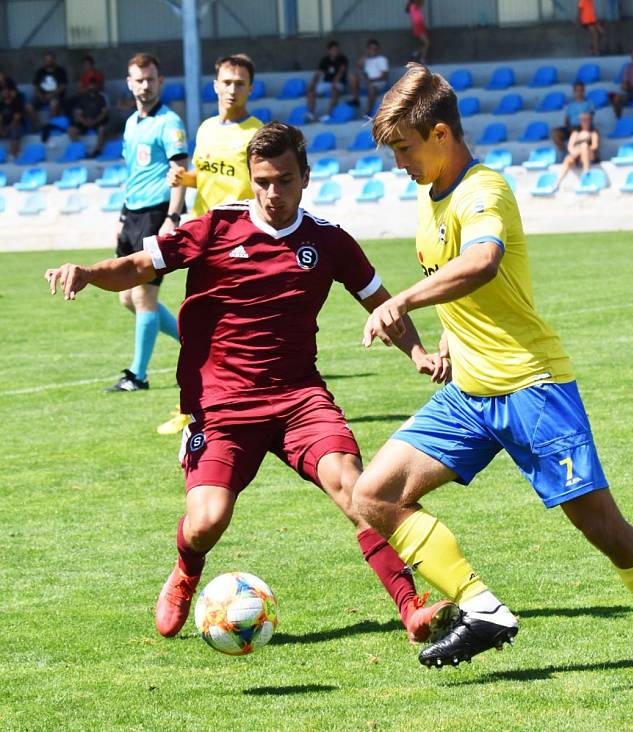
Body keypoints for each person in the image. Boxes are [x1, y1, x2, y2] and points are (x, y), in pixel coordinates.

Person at [45, 121, 458, 647]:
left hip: (299, 400)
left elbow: (381, 301)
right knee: (206, 521)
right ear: (250, 179)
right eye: (262, 180)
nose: (272, 193)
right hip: (223, 406)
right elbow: (136, 265)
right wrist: (88, 272)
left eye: (284, 180)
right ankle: (187, 569)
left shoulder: (328, 241)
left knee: (358, 492)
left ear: (305, 177)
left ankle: (412, 608)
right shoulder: (214, 227)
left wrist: (418, 352)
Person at [353, 64, 633, 675]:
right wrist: (444, 344)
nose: (398, 164)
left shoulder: (484, 190)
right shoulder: (427, 192)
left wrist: (402, 301)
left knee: (602, 527)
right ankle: (483, 610)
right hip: (468, 394)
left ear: (440, 135)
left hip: (532, 388)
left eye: (404, 150)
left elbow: (483, 262)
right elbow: (450, 276)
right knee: (373, 495)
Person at [158, 53, 263, 436]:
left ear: (251, 88)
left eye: (240, 83)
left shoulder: (257, 134)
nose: (232, 89)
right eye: (226, 82)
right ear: (215, 85)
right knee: (196, 325)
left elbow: (261, 187)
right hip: (203, 237)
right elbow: (204, 178)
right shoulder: (204, 129)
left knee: (237, 330)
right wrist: (183, 180)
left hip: (240, 241)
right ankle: (190, 409)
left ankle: (249, 403)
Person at [106, 52, 188, 393]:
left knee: (144, 299)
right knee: (128, 298)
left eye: (150, 79)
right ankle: (198, 341)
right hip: (133, 215)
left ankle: (137, 376)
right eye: (138, 79)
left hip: (157, 214)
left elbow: (180, 172)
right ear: (130, 83)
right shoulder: (131, 124)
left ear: (160, 82)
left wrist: (172, 217)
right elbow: (132, 173)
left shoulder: (170, 122)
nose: (144, 85)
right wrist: (122, 215)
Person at [305, 41, 348, 122]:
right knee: (311, 92)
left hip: (339, 83)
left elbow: (341, 71)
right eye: (333, 50)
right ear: (329, 51)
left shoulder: (342, 58)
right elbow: (318, 74)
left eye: (337, 50)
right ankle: (311, 114)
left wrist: (334, 82)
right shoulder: (325, 60)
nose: (336, 51)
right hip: (327, 83)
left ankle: (328, 114)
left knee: (334, 90)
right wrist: (312, 84)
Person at [555, 111, 599, 189]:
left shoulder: (593, 132)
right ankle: (558, 182)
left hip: (590, 154)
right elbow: (570, 146)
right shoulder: (575, 133)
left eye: (587, 120)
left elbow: (594, 146)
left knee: (584, 146)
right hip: (578, 155)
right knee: (568, 159)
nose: (585, 122)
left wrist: (582, 149)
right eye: (583, 120)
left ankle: (586, 173)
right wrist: (575, 151)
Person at [67, 78, 109, 157]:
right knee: (71, 130)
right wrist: (85, 122)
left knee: (102, 129)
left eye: (94, 87)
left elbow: (104, 113)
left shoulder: (101, 98)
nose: (92, 89)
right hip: (85, 122)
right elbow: (78, 114)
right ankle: (80, 150)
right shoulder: (83, 98)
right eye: (90, 87)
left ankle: (97, 151)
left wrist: (94, 121)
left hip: (97, 122)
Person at [348, 39, 390, 118]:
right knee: (352, 76)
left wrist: (372, 81)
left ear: (378, 49)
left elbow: (385, 76)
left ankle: (368, 112)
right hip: (367, 81)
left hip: (378, 82)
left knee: (371, 87)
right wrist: (366, 54)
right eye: (371, 48)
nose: (373, 50)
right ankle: (355, 99)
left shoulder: (382, 59)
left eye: (375, 48)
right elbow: (358, 64)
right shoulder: (366, 59)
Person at [551, 81, 594, 154]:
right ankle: (565, 152)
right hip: (571, 127)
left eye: (581, 90)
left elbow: (589, 117)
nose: (579, 92)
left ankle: (573, 153)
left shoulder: (589, 103)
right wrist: (568, 127)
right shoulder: (570, 105)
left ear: (584, 91)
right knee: (554, 132)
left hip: (583, 128)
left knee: (575, 131)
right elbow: (567, 118)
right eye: (577, 90)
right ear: (574, 91)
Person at [31, 51, 68, 124]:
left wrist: (52, 94)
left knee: (53, 103)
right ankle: (37, 124)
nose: (49, 62)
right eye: (47, 60)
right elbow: (35, 86)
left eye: (50, 60)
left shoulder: (60, 71)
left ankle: (51, 125)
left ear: (54, 60)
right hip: (42, 96)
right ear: (44, 61)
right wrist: (40, 96)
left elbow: (63, 86)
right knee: (28, 106)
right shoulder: (40, 71)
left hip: (56, 96)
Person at [0, 80, 26, 158]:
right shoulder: (1, 104)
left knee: (15, 130)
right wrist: (1, 129)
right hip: (4, 126)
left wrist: (7, 130)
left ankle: (13, 155)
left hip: (16, 125)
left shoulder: (17, 103)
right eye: (3, 91)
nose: (5, 93)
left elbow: (16, 119)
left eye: (7, 91)